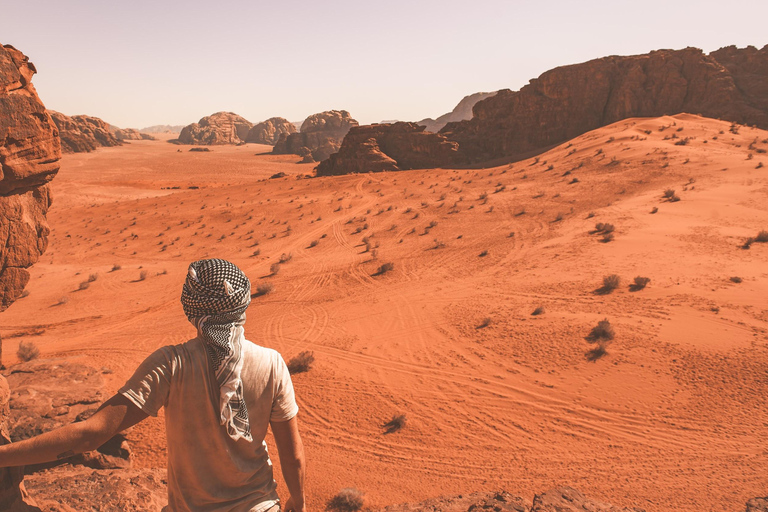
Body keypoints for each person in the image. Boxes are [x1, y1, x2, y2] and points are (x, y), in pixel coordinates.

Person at [0, 258, 305, 512]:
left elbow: (89, 435)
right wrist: (297, 501)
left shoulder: (171, 364)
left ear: (192, 309)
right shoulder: (273, 363)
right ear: (243, 303)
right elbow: (291, 456)